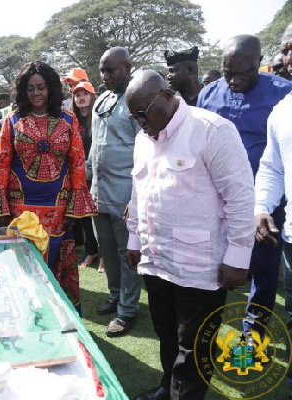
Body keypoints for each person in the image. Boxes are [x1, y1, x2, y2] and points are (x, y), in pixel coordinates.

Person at [126, 69, 255, 400]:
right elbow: (138, 193)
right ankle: (166, 389)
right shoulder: (144, 138)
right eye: (133, 114)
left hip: (201, 266)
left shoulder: (211, 131)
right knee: (167, 335)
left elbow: (240, 198)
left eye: (142, 111)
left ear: (167, 97)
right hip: (157, 260)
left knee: (195, 347)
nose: (139, 120)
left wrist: (238, 257)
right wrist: (134, 240)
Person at [197, 34, 292, 340]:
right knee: (216, 268)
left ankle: (254, 334)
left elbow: (276, 161)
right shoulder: (209, 94)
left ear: (260, 62)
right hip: (218, 202)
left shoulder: (283, 94)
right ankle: (207, 330)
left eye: (243, 72)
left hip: (263, 205)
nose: (234, 80)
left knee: (263, 273)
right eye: (228, 73)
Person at [0, 61, 96, 314]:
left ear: (51, 89)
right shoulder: (11, 121)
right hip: (20, 210)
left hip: (58, 207)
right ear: (23, 91)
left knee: (58, 268)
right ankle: (28, 324)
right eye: (30, 88)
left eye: (41, 88)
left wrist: (73, 207)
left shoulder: (68, 120)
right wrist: (1, 207)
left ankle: (64, 327)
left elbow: (77, 161)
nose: (36, 94)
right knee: (24, 270)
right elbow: (2, 163)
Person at [86, 47, 142, 337]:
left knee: (126, 253)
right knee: (107, 250)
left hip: (125, 194)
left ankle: (128, 310)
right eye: (103, 70)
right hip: (98, 193)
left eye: (112, 70)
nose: (106, 76)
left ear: (127, 67)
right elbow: (95, 147)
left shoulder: (137, 99)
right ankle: (115, 295)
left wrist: (137, 197)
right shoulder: (102, 100)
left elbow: (145, 153)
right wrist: (85, 180)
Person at [255, 27, 292, 400]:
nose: (288, 57)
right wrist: (262, 207)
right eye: (286, 50)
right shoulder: (283, 110)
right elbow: (272, 168)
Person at [70, 81, 101, 270]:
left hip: (99, 173)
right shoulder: (71, 119)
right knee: (84, 216)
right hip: (79, 175)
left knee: (100, 214)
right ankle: (91, 251)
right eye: (77, 94)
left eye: (85, 94)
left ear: (92, 96)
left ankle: (104, 255)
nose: (81, 98)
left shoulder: (99, 116)